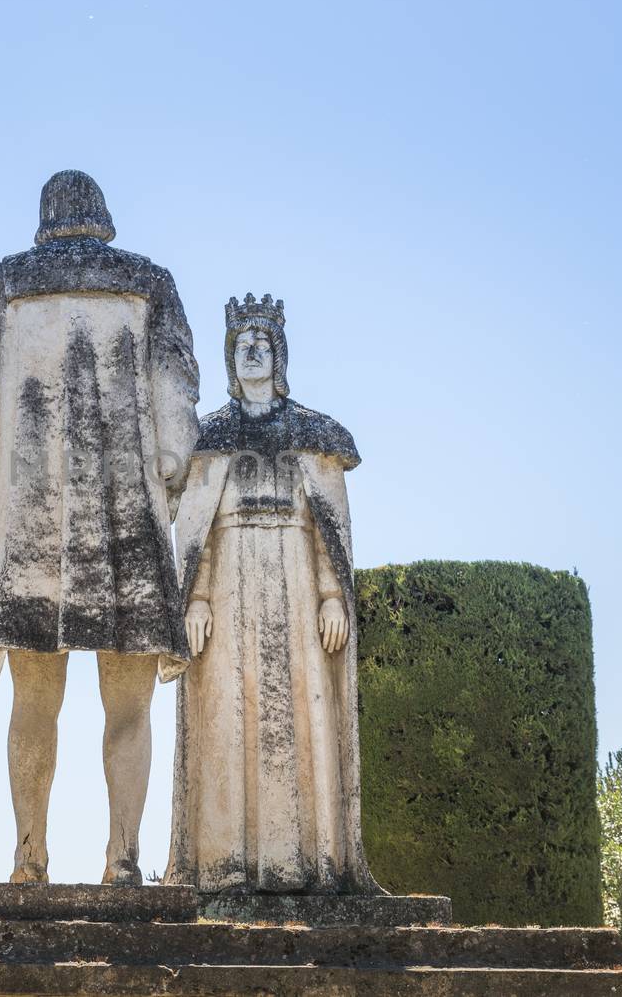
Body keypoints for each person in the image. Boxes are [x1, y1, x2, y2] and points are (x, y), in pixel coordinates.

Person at [0, 170, 200, 885]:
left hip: (31, 517)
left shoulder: (3, 283)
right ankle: (123, 859)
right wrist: (169, 476)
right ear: (103, 216)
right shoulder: (148, 283)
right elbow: (178, 403)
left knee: (35, 703)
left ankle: (29, 856)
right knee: (129, 703)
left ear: (45, 217)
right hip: (125, 518)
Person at [165, 294, 383, 894]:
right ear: (230, 357)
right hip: (231, 586)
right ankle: (224, 864)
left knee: (301, 719)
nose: (253, 350)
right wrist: (198, 598)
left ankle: (303, 862)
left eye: (263, 341)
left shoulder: (312, 436)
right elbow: (198, 530)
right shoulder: (210, 439)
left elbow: (324, 530)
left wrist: (333, 594)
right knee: (227, 720)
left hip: (294, 589)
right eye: (242, 342)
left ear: (279, 354)